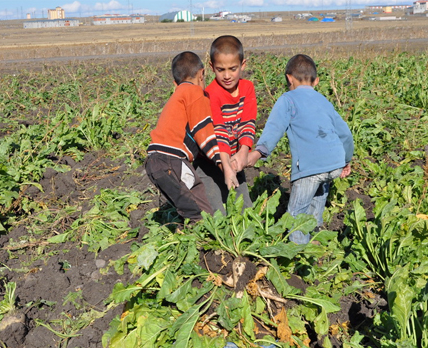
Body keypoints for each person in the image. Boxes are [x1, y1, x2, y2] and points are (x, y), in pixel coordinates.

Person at [247, 54, 354, 244]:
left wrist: (259, 152)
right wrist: (346, 161)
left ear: (289, 78)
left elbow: (274, 128)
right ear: (317, 81)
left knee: (295, 216)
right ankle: (316, 241)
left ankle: (298, 253)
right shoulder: (323, 100)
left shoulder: (288, 99)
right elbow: (345, 133)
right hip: (334, 164)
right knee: (318, 198)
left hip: (310, 167)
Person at [145, 51, 238, 222]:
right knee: (201, 214)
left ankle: (192, 241)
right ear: (202, 73)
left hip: (154, 163)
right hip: (171, 161)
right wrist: (224, 164)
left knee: (189, 207)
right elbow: (204, 134)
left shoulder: (177, 96)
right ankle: (208, 245)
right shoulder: (195, 93)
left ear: (175, 83)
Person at [194, 35, 256, 214]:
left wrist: (243, 152)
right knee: (215, 212)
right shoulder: (211, 94)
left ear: (243, 64)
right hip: (209, 161)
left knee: (245, 209)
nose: (227, 76)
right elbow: (218, 131)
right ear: (212, 67)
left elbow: (248, 122)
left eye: (233, 69)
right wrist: (225, 165)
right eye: (221, 70)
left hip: (233, 158)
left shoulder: (247, 88)